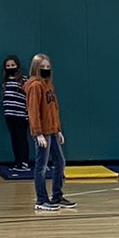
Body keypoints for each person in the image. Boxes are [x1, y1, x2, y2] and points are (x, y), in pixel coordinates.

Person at [25, 53, 73, 213]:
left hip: (52, 131)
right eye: (42, 67)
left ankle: (57, 196)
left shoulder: (48, 85)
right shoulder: (35, 86)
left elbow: (54, 109)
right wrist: (38, 133)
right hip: (43, 133)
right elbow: (33, 111)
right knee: (41, 167)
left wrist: (58, 129)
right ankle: (41, 199)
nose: (45, 70)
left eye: (48, 67)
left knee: (60, 162)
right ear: (36, 68)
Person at [0, 56, 31, 171]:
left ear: (17, 66)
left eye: (12, 65)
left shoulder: (23, 80)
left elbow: (28, 97)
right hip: (9, 114)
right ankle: (17, 161)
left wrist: (28, 113)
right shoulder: (5, 81)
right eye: (8, 66)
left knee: (21, 137)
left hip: (21, 115)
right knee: (14, 138)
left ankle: (24, 162)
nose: (10, 68)